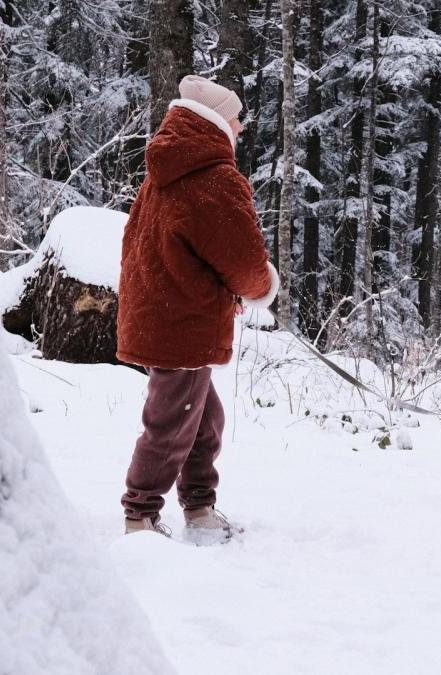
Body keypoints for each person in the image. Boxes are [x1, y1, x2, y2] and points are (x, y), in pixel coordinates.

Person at [116, 75, 278, 544]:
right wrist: (261, 287)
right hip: (181, 324)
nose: (241, 128)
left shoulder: (165, 171)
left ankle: (200, 507)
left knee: (203, 419)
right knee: (170, 426)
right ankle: (140, 516)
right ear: (216, 122)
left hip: (163, 315)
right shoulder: (212, 178)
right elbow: (243, 260)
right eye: (236, 119)